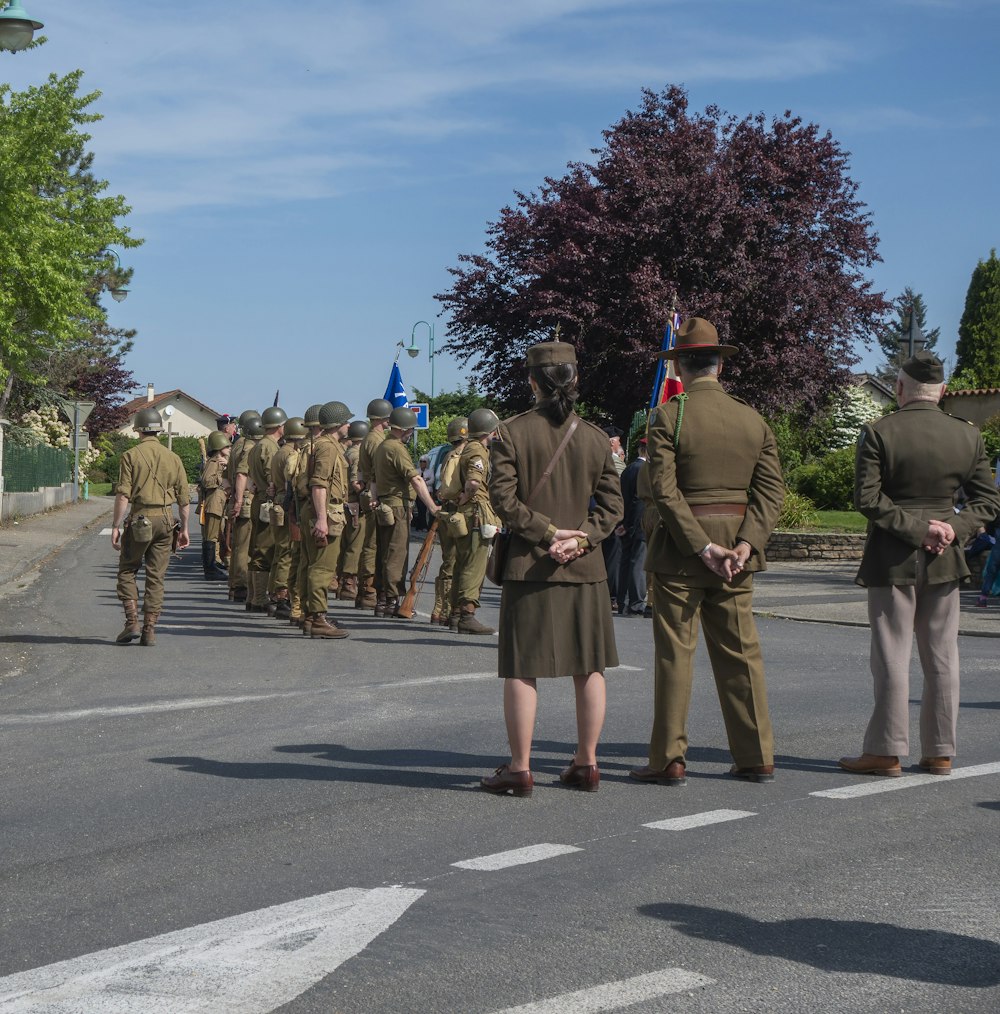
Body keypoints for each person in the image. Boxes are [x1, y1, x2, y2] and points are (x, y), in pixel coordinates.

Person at [630, 317, 785, 788]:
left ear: (680, 363)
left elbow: (662, 489)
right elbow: (771, 493)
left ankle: (669, 759)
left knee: (676, 655)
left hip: (681, 552)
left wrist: (701, 546)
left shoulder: (669, 416)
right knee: (741, 653)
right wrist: (744, 544)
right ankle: (756, 756)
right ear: (720, 364)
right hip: (736, 556)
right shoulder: (752, 418)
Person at [839, 351, 1000, 777]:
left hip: (893, 555)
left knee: (892, 655)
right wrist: (953, 528)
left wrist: (917, 531)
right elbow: (988, 501)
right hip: (946, 556)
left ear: (899, 388)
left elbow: (868, 500)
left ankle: (886, 751)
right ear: (943, 392)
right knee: (942, 655)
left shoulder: (879, 431)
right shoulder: (968, 436)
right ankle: (940, 751)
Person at [481, 339, 622, 797]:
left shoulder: (510, 432)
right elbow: (613, 508)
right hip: (586, 568)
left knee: (523, 669)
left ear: (532, 382)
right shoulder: (597, 438)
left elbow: (503, 500)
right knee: (590, 667)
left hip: (530, 566)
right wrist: (579, 538)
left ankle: (520, 770)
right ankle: (588, 762)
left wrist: (547, 535)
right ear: (576, 380)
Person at [111, 407, 191, 646]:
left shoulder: (130, 456)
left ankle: (131, 621)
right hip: (167, 520)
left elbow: (123, 495)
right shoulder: (174, 458)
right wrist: (185, 528)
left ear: (138, 430)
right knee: (156, 577)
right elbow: (184, 499)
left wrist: (116, 525)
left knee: (127, 569)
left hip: (140, 520)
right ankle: (150, 630)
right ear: (158, 429)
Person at [371, 406, 440, 617]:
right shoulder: (396, 448)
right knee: (396, 554)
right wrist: (432, 506)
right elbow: (416, 479)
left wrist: (374, 498)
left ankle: (383, 598)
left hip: (384, 505)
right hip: (397, 506)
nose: (411, 433)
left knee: (384, 552)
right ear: (403, 429)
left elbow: (373, 478)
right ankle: (390, 600)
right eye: (410, 429)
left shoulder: (382, 446)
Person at [300, 401, 353, 639]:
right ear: (338, 424)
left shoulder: (324, 445)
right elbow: (319, 484)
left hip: (319, 511)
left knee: (313, 565)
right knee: (322, 567)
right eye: (346, 421)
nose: (349, 425)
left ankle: (312, 616)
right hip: (325, 512)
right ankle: (318, 617)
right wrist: (322, 519)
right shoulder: (328, 447)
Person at [449, 408, 502, 634]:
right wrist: (468, 495)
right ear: (489, 429)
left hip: (467, 512)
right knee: (475, 564)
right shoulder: (479, 450)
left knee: (462, 563)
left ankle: (455, 614)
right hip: (478, 513)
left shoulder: (467, 448)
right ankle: (467, 615)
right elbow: (473, 482)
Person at [246, 406, 287, 612]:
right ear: (280, 426)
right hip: (267, 501)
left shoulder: (257, 445)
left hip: (258, 499)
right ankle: (259, 599)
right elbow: (272, 480)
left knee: (257, 548)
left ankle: (253, 596)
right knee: (265, 549)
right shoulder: (270, 447)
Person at [356, 399, 393, 610]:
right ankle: (369, 590)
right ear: (382, 418)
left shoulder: (370, 438)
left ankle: (366, 590)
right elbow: (380, 471)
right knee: (373, 544)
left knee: (371, 542)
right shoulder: (376, 440)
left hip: (369, 491)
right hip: (375, 493)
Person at [431, 417, 468, 625]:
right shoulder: (466, 455)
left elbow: (440, 488)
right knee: (462, 562)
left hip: (447, 512)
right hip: (460, 512)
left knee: (448, 561)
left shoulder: (446, 456)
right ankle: (451, 610)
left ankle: (440, 609)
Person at [226, 409, 261, 602]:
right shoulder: (249, 448)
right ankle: (240, 585)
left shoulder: (237, 445)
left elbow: (227, 478)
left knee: (239, 543)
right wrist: (240, 500)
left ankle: (234, 584)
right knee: (245, 545)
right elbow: (241, 474)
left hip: (238, 497)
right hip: (246, 497)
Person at [337, 419, 370, 603]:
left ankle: (344, 581)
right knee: (355, 545)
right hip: (355, 505)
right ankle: (349, 582)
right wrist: (367, 492)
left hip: (348, 503)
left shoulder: (348, 451)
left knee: (347, 543)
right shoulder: (357, 454)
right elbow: (355, 482)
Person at [617, 436, 649, 616]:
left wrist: (623, 523)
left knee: (626, 562)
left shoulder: (629, 468)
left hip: (627, 521)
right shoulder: (644, 469)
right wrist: (632, 524)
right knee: (638, 561)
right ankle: (636, 602)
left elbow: (624, 498)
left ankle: (623, 601)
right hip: (639, 523)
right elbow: (639, 501)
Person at [198, 431, 231, 581]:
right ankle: (210, 569)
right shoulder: (214, 462)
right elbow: (206, 481)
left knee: (213, 536)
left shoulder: (220, 461)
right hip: (213, 503)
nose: (229, 448)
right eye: (226, 446)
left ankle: (212, 566)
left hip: (217, 503)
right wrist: (221, 479)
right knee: (210, 537)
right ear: (219, 447)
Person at [601, 424, 626, 611]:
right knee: (613, 557)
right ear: (611, 443)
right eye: (618, 440)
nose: (620, 443)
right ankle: (610, 596)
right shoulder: (614, 462)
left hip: (600, 513)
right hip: (611, 514)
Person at [413, 455, 433, 531]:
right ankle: (419, 526)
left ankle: (424, 525)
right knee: (420, 509)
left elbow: (432, 480)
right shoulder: (417, 471)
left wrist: (422, 482)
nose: (422, 463)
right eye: (421, 461)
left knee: (424, 509)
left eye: (424, 461)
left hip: (427, 492)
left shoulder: (430, 471)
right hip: (418, 492)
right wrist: (424, 480)